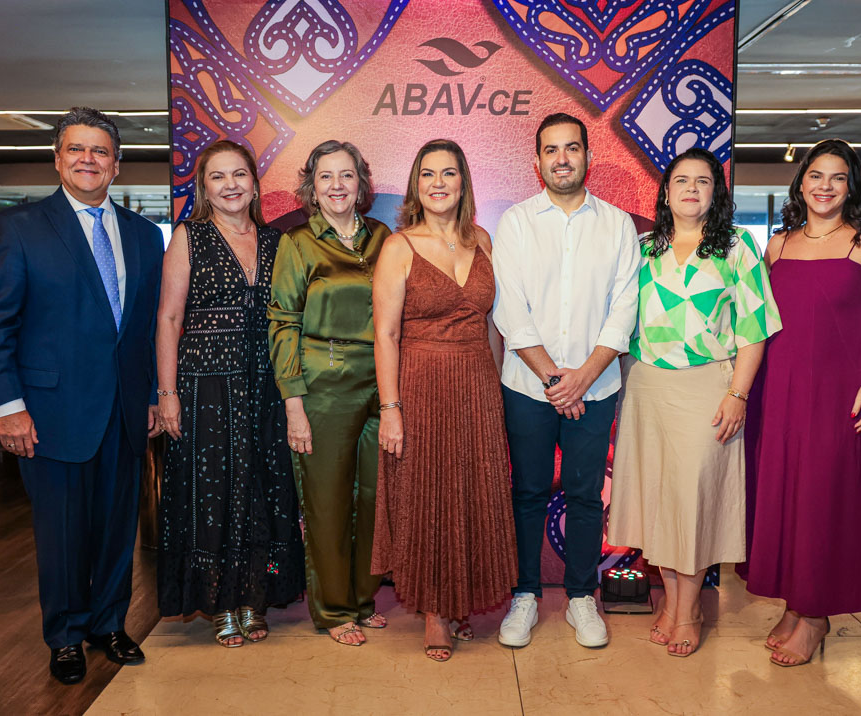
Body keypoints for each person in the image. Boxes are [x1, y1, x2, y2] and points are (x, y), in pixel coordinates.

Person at [0, 107, 165, 685]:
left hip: (125, 411)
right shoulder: (20, 228)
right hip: (49, 414)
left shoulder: (143, 235)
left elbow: (145, 327)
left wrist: (153, 394)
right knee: (61, 536)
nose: (88, 159)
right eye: (76, 149)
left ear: (117, 164)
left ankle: (109, 624)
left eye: (100, 151)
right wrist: (9, 408)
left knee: (117, 530)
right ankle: (64, 636)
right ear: (57, 159)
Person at [740, 138, 861, 667]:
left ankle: (815, 615)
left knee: (822, 497)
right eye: (816, 175)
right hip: (777, 387)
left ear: (851, 185)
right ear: (801, 182)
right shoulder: (778, 244)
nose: (825, 186)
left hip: (838, 390)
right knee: (783, 494)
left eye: (838, 177)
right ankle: (795, 603)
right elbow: (758, 319)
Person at [607, 148, 781, 657]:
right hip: (646, 389)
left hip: (708, 388)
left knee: (693, 501)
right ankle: (671, 602)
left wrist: (738, 394)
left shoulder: (737, 246)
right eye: (681, 180)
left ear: (715, 193)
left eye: (702, 181)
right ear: (665, 192)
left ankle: (689, 610)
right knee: (658, 502)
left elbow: (754, 330)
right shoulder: (643, 248)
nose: (690, 189)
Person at [493, 113, 641, 649]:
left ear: (588, 156)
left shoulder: (617, 225)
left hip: (595, 388)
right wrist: (558, 381)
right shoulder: (516, 223)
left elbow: (624, 308)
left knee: (584, 495)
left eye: (571, 148)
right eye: (551, 150)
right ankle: (525, 595)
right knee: (527, 493)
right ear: (537, 162)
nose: (562, 159)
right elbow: (511, 310)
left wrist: (583, 377)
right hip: (528, 387)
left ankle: (582, 596)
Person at [371, 139, 517, 662]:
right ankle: (434, 611)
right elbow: (385, 334)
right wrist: (391, 408)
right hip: (421, 383)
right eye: (428, 174)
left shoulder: (483, 240)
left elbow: (493, 326)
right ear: (416, 185)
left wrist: (496, 392)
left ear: (463, 182)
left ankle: (460, 599)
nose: (438, 183)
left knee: (471, 491)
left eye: (448, 173)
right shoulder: (398, 246)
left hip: (477, 383)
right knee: (427, 492)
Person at [155, 140, 304, 646]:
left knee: (265, 488)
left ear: (255, 184)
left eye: (239, 174)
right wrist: (168, 392)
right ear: (204, 188)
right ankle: (220, 602)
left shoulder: (277, 242)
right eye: (217, 177)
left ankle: (255, 596)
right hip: (205, 386)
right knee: (212, 493)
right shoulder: (189, 236)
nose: (230, 185)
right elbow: (168, 318)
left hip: (265, 382)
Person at [268, 140, 391, 646]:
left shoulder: (384, 237)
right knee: (328, 501)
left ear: (361, 184)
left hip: (382, 383)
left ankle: (363, 599)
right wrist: (294, 404)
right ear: (311, 188)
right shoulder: (297, 242)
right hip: (323, 386)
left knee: (375, 498)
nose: (337, 186)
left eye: (346, 175)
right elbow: (282, 323)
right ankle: (335, 609)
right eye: (326, 177)